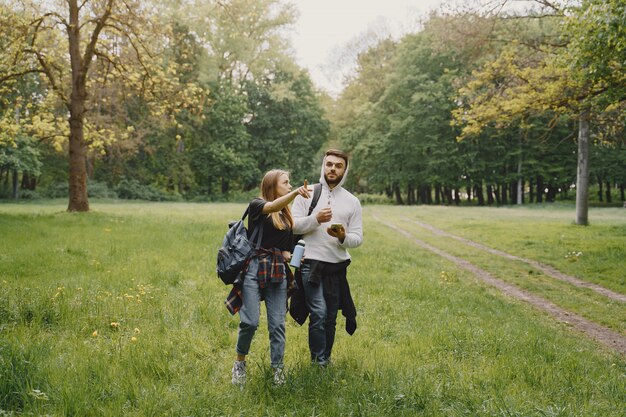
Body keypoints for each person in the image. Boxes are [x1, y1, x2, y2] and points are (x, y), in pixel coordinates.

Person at [230, 169, 310, 385]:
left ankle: (278, 370)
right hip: (254, 268)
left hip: (277, 270)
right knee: (250, 321)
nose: (290, 186)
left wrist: (291, 256)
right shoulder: (257, 204)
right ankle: (239, 363)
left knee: (277, 324)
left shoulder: (285, 214)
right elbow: (271, 206)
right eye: (286, 183)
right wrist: (295, 195)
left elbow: (283, 249)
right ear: (272, 186)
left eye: (290, 183)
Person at [290, 149, 363, 366]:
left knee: (331, 317)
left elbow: (357, 238)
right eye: (329, 164)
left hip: (337, 266)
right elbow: (293, 227)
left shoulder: (352, 201)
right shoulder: (307, 193)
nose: (332, 168)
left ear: (344, 170)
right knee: (319, 313)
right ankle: (318, 363)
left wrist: (343, 237)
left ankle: (325, 359)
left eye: (338, 165)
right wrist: (315, 219)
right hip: (309, 264)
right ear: (323, 166)